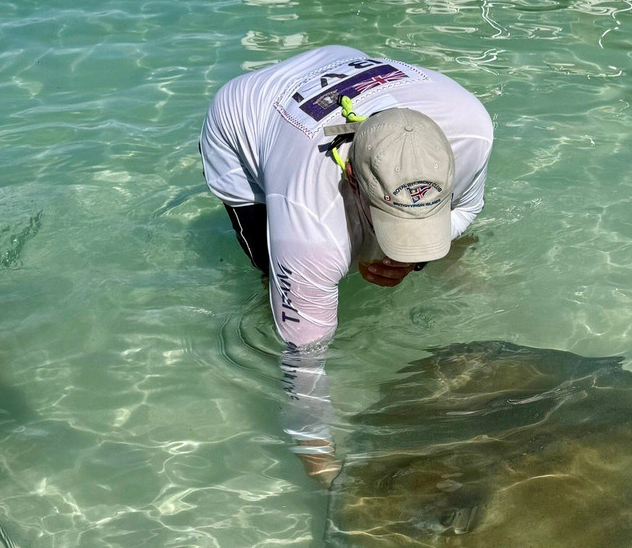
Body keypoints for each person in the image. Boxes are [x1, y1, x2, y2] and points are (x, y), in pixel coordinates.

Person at [200, 44, 494, 482]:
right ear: (352, 180)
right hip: (246, 115)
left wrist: (412, 260)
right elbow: (305, 368)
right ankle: (286, 294)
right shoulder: (308, 224)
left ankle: (434, 252)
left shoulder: (471, 129)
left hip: (342, 65)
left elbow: (465, 208)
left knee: (444, 242)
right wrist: (321, 462)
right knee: (277, 286)